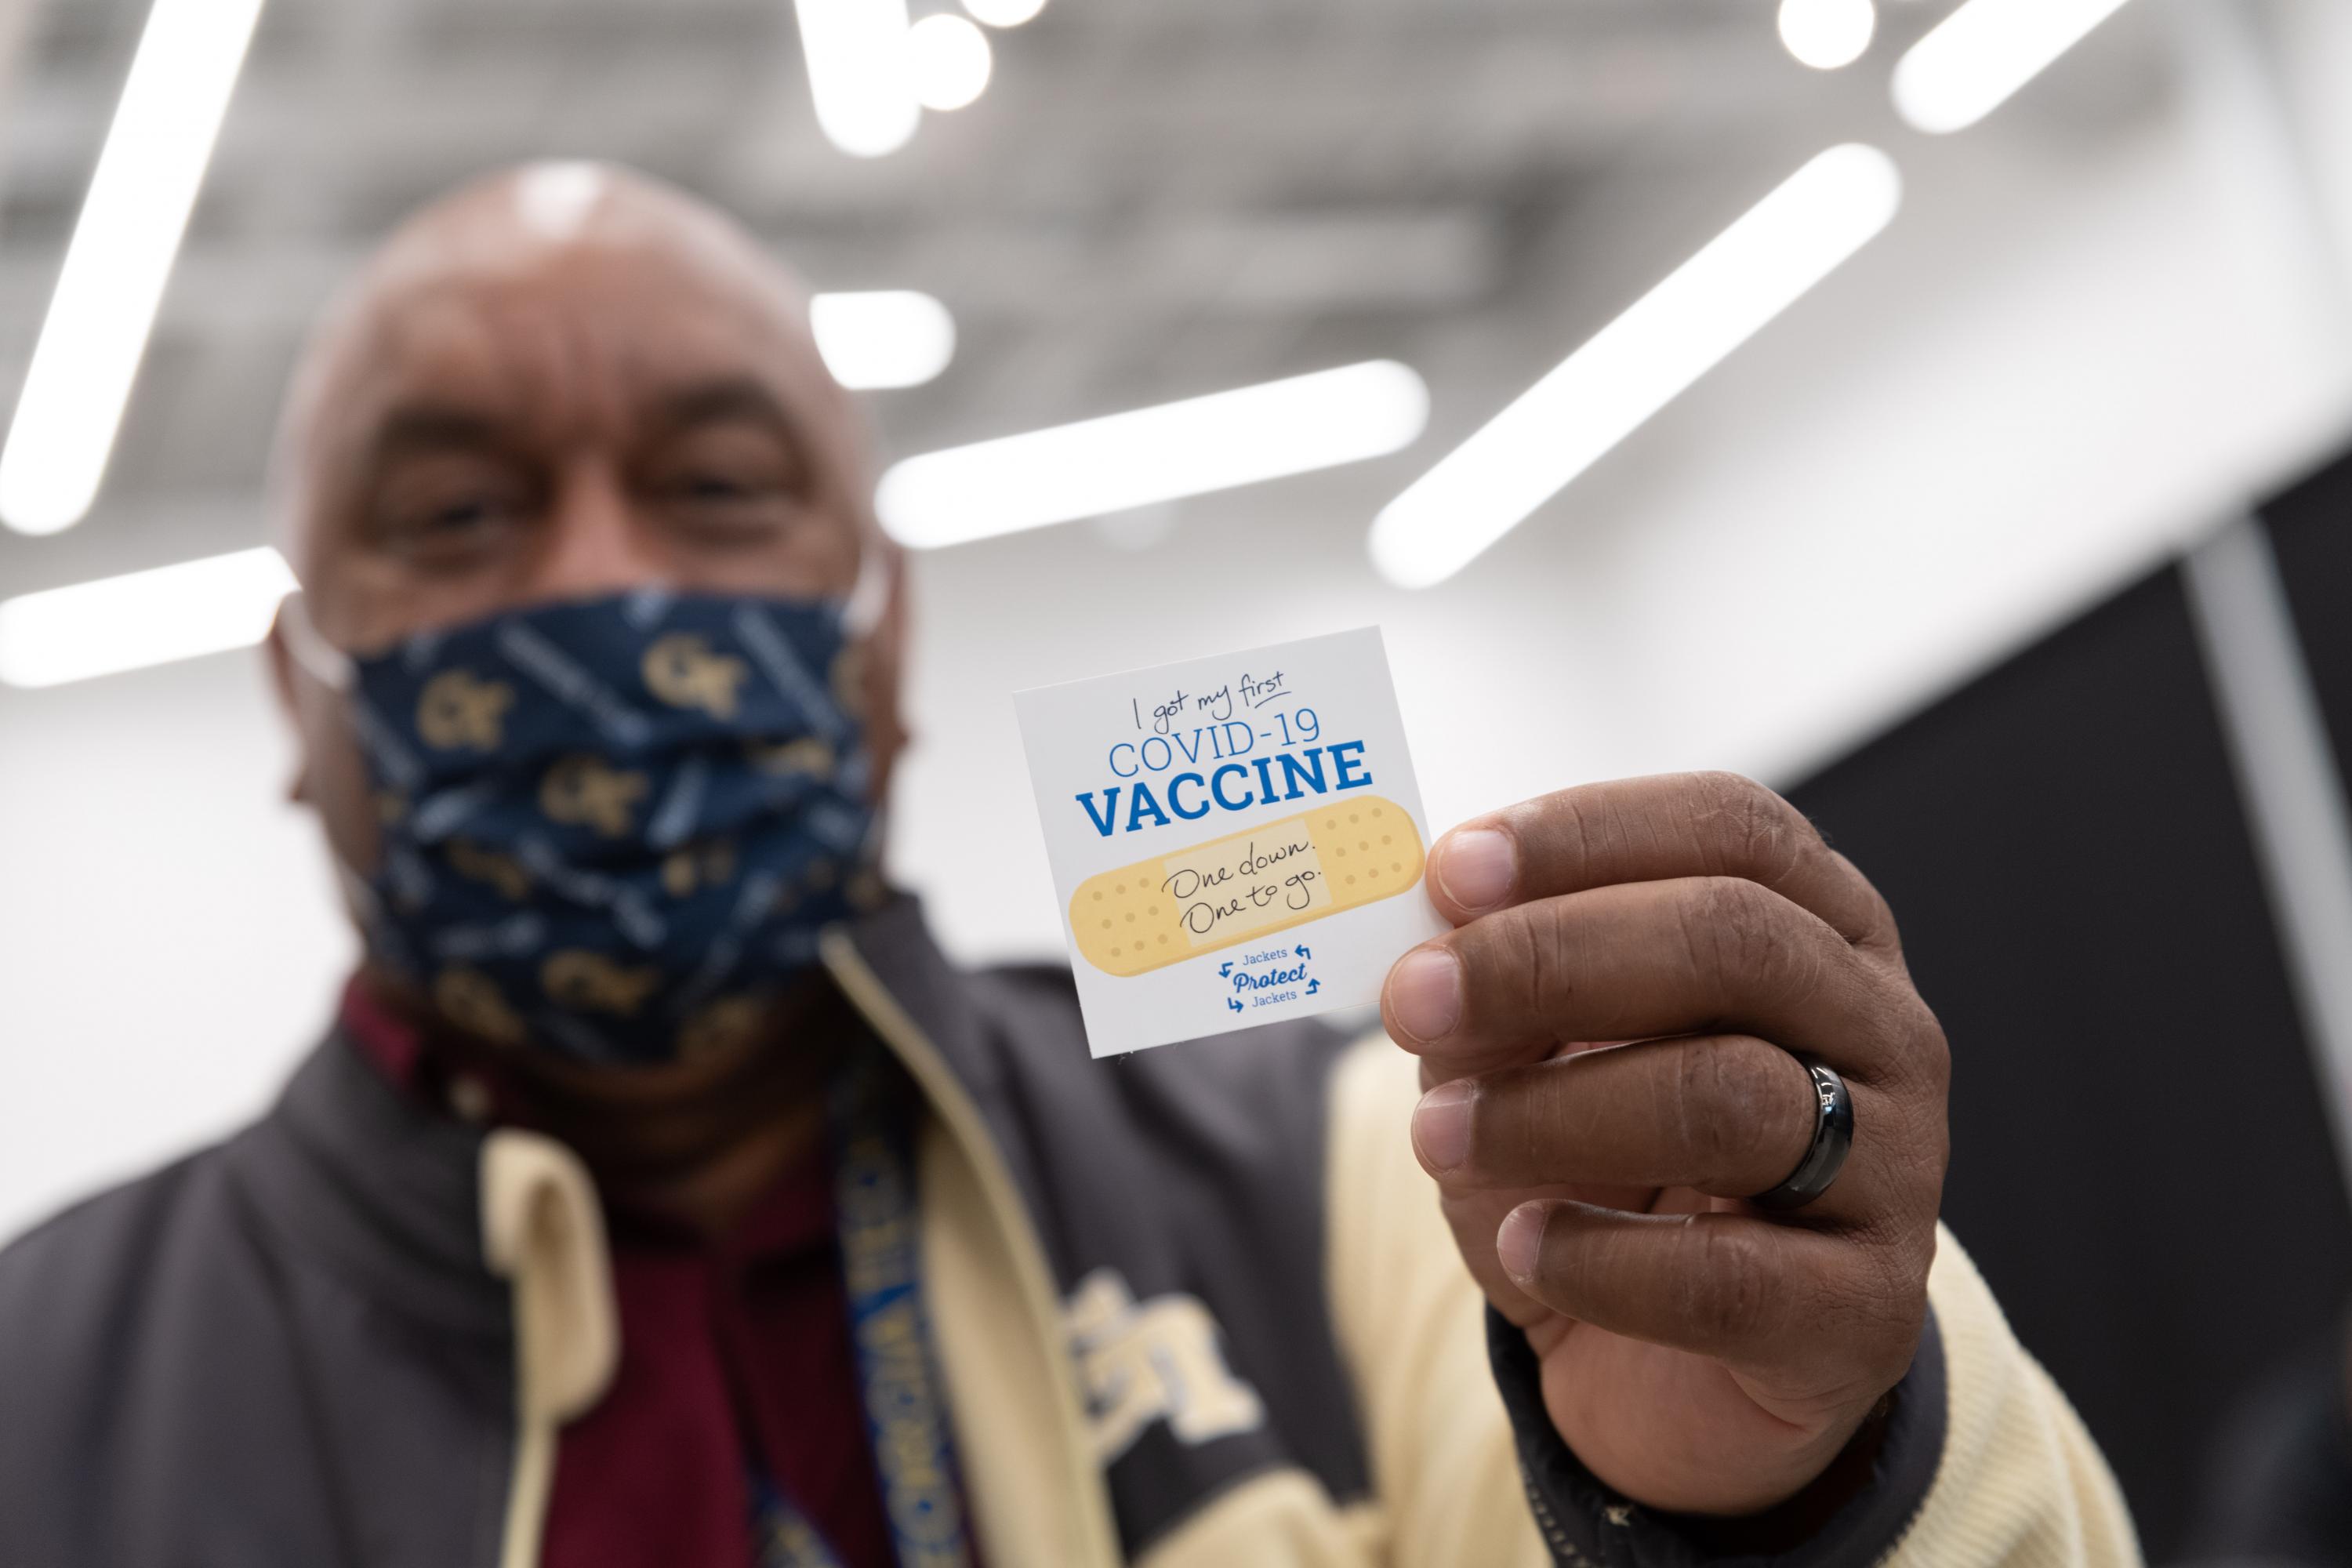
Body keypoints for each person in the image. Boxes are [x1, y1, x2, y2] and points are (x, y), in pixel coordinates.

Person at [0, 162, 2137, 1568]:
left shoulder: (1372, 1180)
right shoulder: (51, 1392)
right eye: (457, 515)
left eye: (719, 489)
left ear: (885, 640)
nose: (606, 587)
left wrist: (1773, 1486)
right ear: (299, 695)